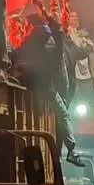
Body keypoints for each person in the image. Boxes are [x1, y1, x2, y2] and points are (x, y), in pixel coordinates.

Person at [15, 10, 85, 166]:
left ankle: (23, 149)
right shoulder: (56, 39)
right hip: (50, 86)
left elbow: (20, 53)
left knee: (51, 116)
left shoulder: (35, 37)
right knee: (63, 115)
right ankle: (71, 151)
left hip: (40, 86)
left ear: (31, 24)